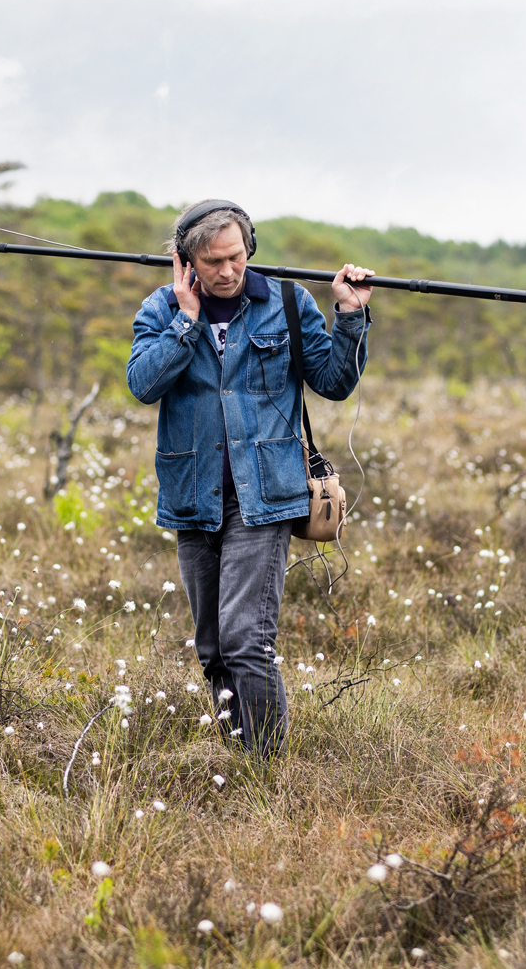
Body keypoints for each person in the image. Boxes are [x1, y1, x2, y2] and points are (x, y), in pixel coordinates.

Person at [126, 199, 374, 753]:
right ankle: (239, 756)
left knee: (245, 641)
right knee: (212, 647)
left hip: (265, 498)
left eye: (235, 257)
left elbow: (334, 381)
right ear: (185, 260)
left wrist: (351, 316)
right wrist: (186, 321)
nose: (227, 271)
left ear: (250, 248)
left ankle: (264, 768)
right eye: (212, 261)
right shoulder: (160, 310)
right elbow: (143, 384)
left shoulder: (287, 303)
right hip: (195, 499)